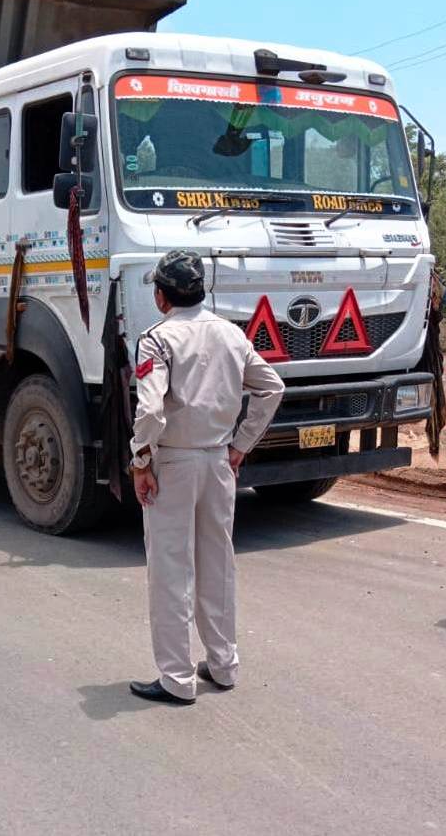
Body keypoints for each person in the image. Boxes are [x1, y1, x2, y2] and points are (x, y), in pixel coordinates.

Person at [128, 250, 285, 704]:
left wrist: (141, 461)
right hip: (219, 461)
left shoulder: (157, 339)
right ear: (201, 290)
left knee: (171, 570)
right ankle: (223, 664)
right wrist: (241, 445)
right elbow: (272, 387)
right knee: (218, 565)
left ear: (161, 296)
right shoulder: (232, 334)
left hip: (174, 464)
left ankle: (177, 678)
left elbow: (151, 409)